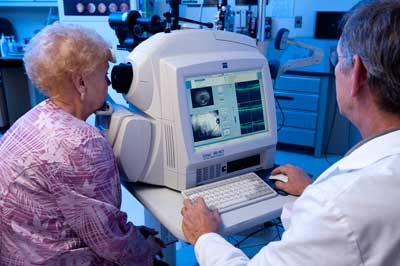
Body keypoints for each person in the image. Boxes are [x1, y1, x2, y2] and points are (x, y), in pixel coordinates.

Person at [181, 1, 400, 265]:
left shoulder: (338, 206)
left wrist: (206, 237)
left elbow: (342, 220)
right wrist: (312, 192)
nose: (333, 67)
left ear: (358, 75)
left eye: (336, 59)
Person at [0, 22, 165, 265]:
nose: (109, 83)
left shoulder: (34, 117)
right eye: (103, 73)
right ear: (81, 82)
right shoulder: (82, 143)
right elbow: (111, 242)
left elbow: (85, 218)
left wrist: (130, 232)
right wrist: (145, 248)